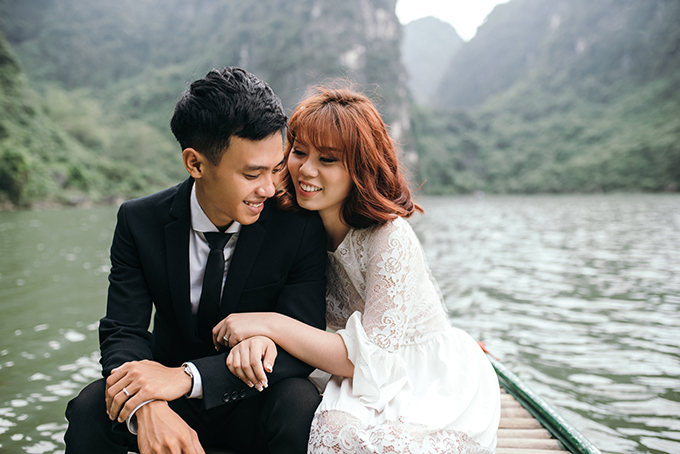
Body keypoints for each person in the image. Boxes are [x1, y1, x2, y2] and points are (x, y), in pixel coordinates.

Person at [213, 86, 502, 454]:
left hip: (421, 372)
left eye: (328, 159)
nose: (306, 169)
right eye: (299, 152)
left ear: (360, 167)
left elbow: (373, 358)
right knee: (326, 425)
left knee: (373, 443)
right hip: (351, 367)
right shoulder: (295, 226)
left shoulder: (388, 237)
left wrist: (268, 324)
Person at [64, 67, 328, 454]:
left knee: (300, 401)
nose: (270, 189)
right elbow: (124, 330)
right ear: (196, 164)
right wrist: (147, 404)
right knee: (91, 407)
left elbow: (301, 345)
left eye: (275, 169)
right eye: (252, 174)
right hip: (168, 396)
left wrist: (189, 377)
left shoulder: (298, 226)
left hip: (251, 394)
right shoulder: (139, 221)